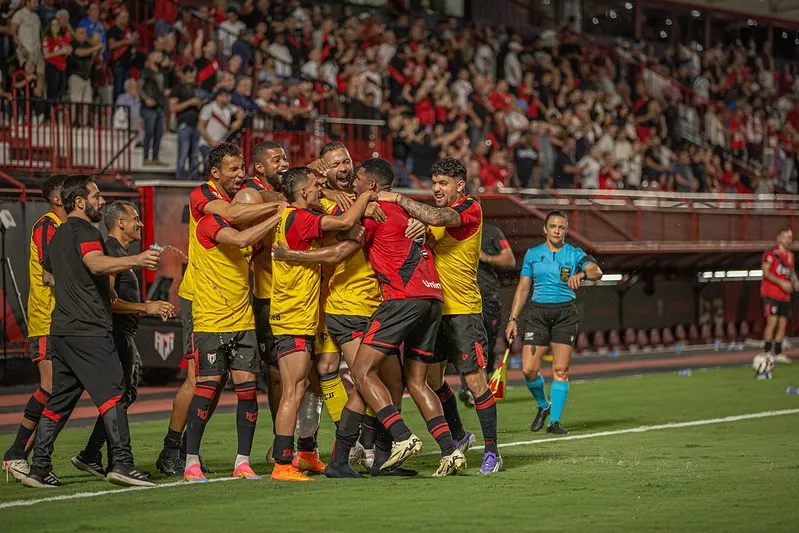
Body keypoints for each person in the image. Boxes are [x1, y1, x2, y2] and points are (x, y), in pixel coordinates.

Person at [331, 158, 466, 478]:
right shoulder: (411, 211)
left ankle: (402, 436)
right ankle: (450, 450)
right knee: (416, 381)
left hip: (402, 299)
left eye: (358, 179)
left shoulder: (374, 211)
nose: (353, 184)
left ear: (372, 185)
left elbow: (339, 239)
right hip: (433, 297)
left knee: (361, 373)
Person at [23, 175, 160, 488]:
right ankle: (122, 463)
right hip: (88, 330)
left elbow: (48, 276)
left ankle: (39, 468)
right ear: (79, 201)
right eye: (96, 196)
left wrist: (80, 284)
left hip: (62, 330)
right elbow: (95, 263)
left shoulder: (58, 234)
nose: (102, 201)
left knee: (59, 402)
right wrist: (137, 259)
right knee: (114, 394)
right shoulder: (86, 231)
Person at [155, 143, 283, 477]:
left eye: (242, 169)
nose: (240, 175)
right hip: (200, 299)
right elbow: (236, 216)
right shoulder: (203, 195)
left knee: (225, 379)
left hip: (235, 305)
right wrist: (281, 208)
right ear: (215, 172)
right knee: (199, 379)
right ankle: (172, 449)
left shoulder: (240, 201)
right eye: (233, 170)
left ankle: (190, 450)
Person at [381, 157, 502, 475]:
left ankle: (492, 452)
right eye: (434, 182)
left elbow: (436, 217)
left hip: (463, 311)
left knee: (474, 382)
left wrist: (397, 198)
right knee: (431, 381)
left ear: (460, 185)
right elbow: (428, 224)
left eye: (443, 183)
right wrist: (417, 227)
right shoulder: (433, 217)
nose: (436, 188)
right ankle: (459, 436)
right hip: (433, 310)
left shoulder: (470, 208)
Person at [268, 166, 377, 481]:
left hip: (300, 315)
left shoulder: (296, 219)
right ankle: (281, 463)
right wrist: (367, 196)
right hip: (292, 317)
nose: (320, 190)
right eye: (316, 186)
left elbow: (333, 234)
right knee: (293, 390)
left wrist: (347, 232)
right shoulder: (299, 217)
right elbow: (343, 222)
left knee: (304, 386)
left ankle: (305, 455)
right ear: (303, 192)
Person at [182, 186, 286, 483]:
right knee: (207, 389)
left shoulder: (252, 234)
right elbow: (241, 239)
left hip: (243, 321)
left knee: (248, 391)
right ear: (238, 208)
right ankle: (191, 462)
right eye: (249, 212)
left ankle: (243, 462)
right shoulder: (209, 224)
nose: (253, 219)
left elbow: (259, 249)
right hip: (210, 322)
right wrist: (276, 214)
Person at [71, 201, 174, 478]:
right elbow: (108, 302)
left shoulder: (119, 254)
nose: (140, 224)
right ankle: (100, 456)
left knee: (124, 395)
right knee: (119, 396)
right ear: (120, 223)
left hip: (124, 333)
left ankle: (92, 454)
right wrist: (146, 308)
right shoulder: (112, 253)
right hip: (115, 335)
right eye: (135, 219)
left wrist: (147, 306)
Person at [505, 210, 602, 435]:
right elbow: (523, 288)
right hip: (538, 314)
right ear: (545, 229)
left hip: (565, 315)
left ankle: (554, 422)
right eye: (553, 226)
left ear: (565, 230)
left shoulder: (574, 254)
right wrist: (512, 319)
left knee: (560, 370)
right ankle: (543, 405)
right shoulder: (533, 254)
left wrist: (582, 275)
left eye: (561, 227)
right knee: (529, 370)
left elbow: (596, 271)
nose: (557, 230)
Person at [2, 175, 67, 481]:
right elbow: (48, 272)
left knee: (62, 391)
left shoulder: (64, 227)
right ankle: (16, 453)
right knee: (50, 388)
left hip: (62, 320)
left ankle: (23, 456)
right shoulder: (46, 226)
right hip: (46, 319)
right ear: (57, 199)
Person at [478, 220, 516, 376]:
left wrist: (486, 258)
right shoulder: (453, 230)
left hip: (488, 298)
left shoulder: (491, 232)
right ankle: (469, 386)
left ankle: (487, 379)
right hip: (462, 298)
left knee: (488, 344)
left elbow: (510, 260)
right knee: (469, 344)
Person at [760, 228, 798, 364]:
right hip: (771, 294)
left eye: (791, 237)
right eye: (787, 237)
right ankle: (766, 352)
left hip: (785, 296)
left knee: (783, 324)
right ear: (779, 238)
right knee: (772, 322)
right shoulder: (771, 254)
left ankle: (778, 352)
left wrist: (795, 282)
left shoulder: (791, 256)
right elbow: (766, 272)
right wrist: (781, 283)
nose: (789, 240)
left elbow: (791, 272)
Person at [170, 65, 205, 180]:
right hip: (184, 125)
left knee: (194, 155)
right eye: (190, 75)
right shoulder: (177, 88)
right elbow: (173, 107)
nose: (192, 78)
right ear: (184, 75)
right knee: (183, 154)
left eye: (193, 76)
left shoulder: (196, 88)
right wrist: (190, 102)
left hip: (196, 125)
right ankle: (180, 179)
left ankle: (192, 179)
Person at [139, 51, 167, 166]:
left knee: (158, 133)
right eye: (157, 56)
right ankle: (146, 157)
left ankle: (155, 157)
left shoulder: (161, 72)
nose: (160, 58)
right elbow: (139, 87)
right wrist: (146, 99)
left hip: (159, 106)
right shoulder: (145, 72)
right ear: (151, 59)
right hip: (149, 107)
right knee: (149, 132)